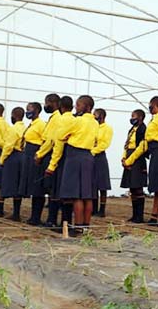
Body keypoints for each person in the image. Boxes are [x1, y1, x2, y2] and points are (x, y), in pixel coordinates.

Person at [123, 96, 158, 228]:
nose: (150, 108)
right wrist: (129, 160)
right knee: (156, 186)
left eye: (151, 106)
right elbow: (144, 144)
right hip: (154, 152)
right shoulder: (154, 120)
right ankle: (154, 216)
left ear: (157, 105)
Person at [56, 95, 99, 230]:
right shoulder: (95, 123)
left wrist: (69, 136)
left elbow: (60, 135)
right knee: (88, 195)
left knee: (77, 195)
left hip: (75, 157)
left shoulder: (77, 121)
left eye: (79, 105)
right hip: (88, 157)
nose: (76, 107)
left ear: (87, 107)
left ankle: (78, 226)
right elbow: (96, 140)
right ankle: (86, 226)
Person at [44, 96, 76, 227]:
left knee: (56, 190)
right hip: (71, 157)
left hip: (60, 158)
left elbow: (57, 143)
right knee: (67, 191)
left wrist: (52, 165)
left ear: (60, 106)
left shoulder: (61, 120)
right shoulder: (75, 120)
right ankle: (66, 223)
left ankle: (52, 221)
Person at [35, 93, 62, 227]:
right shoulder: (54, 118)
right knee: (51, 188)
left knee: (51, 188)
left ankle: (51, 220)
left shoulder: (57, 118)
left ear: (52, 103)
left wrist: (40, 154)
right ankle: (51, 219)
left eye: (46, 103)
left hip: (49, 154)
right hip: (49, 153)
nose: (45, 106)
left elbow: (50, 140)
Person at [0, 107, 27, 220]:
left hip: (13, 157)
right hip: (23, 156)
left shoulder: (13, 129)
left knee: (7, 182)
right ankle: (16, 213)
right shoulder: (26, 128)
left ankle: (0, 210)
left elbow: (8, 146)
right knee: (19, 184)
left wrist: (2, 159)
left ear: (13, 116)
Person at [21, 102, 47, 225]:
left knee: (37, 188)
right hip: (28, 154)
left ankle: (36, 217)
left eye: (29, 109)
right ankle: (33, 216)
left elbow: (45, 140)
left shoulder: (41, 125)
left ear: (37, 110)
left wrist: (39, 154)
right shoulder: (32, 124)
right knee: (32, 186)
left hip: (36, 155)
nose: (27, 111)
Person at [120, 109, 148, 224]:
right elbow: (127, 145)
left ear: (140, 117)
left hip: (137, 159)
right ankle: (134, 215)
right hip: (129, 156)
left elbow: (142, 147)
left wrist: (130, 160)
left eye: (134, 116)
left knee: (138, 187)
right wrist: (124, 158)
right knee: (132, 188)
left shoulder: (143, 129)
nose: (132, 118)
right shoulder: (132, 129)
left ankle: (139, 216)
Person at [91, 108, 113, 217]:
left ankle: (102, 209)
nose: (93, 116)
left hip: (99, 157)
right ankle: (93, 208)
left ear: (102, 116)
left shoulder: (107, 128)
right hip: (91, 156)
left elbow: (105, 144)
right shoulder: (93, 127)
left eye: (95, 115)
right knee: (92, 184)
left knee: (102, 185)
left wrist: (93, 151)